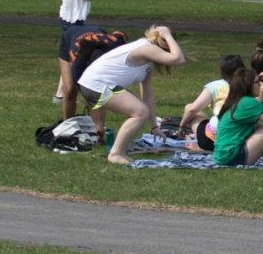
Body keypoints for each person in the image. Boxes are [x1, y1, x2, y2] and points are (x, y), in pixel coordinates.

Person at [75, 25, 189, 165]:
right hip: (96, 84)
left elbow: (147, 95)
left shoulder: (147, 61)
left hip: (94, 84)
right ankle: (116, 154)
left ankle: (121, 149)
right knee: (139, 112)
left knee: (140, 109)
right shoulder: (147, 48)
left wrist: (154, 126)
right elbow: (178, 59)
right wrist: (167, 34)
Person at [55, 0, 98, 118]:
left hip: (78, 19)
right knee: (73, 58)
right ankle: (63, 92)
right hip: (71, 21)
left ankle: (60, 93)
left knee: (71, 58)